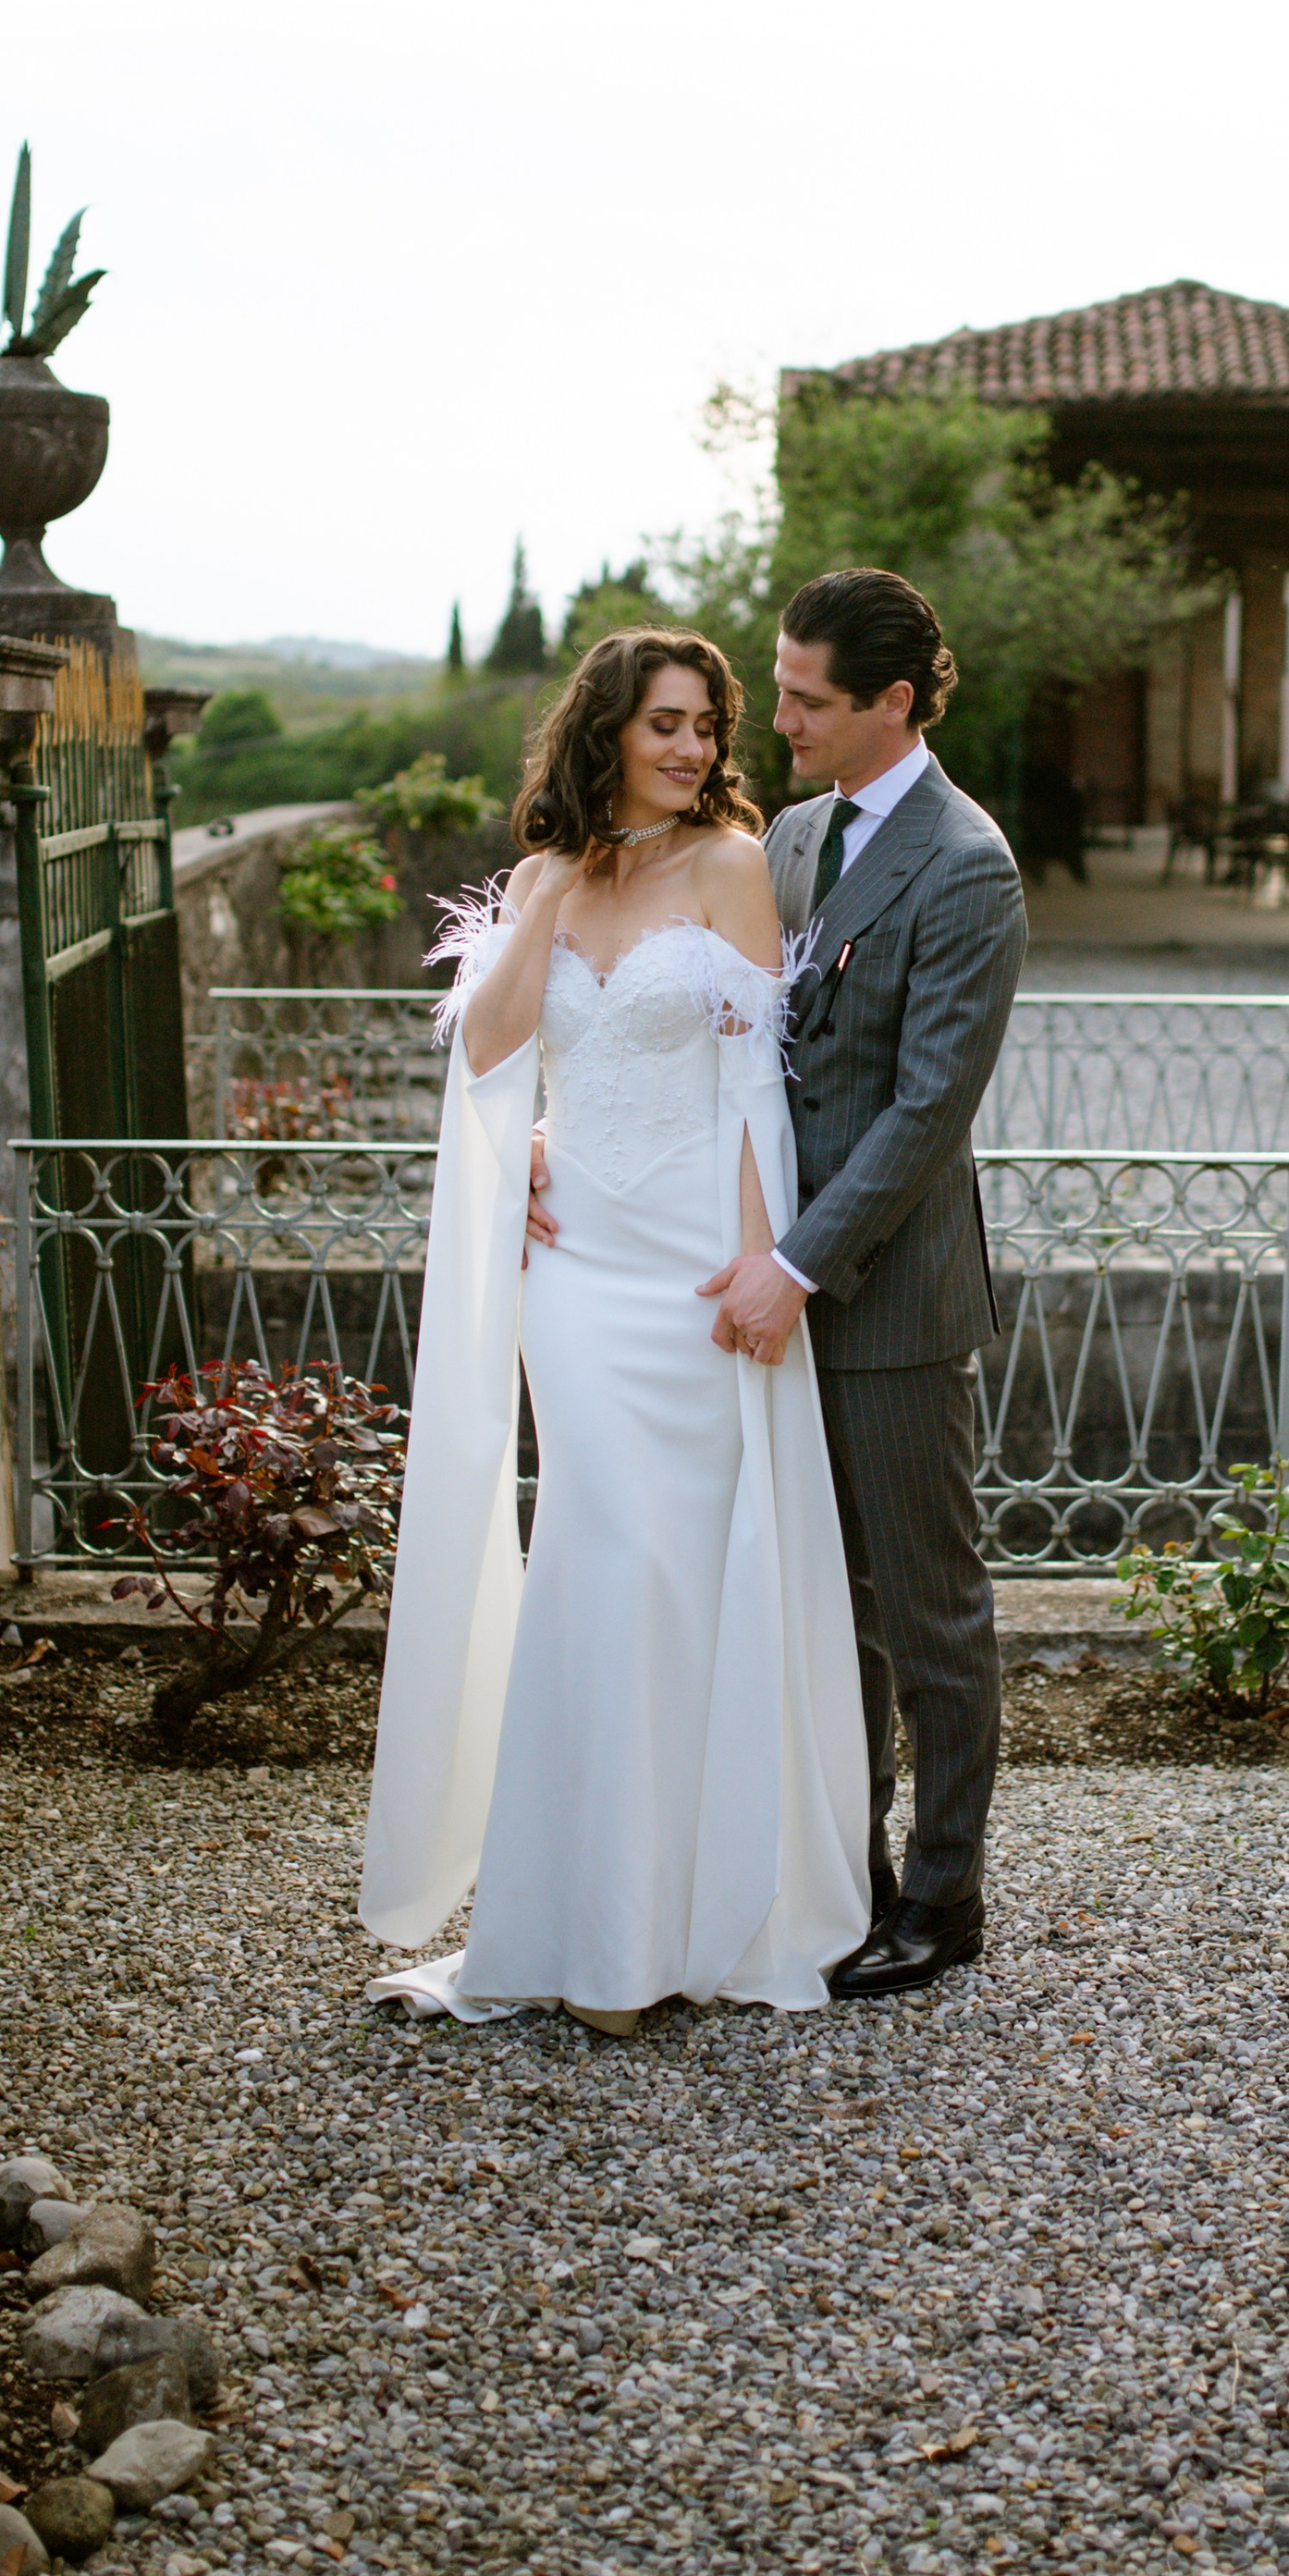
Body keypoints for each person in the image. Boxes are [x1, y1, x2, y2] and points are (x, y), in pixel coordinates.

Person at [356, 630, 871, 2030]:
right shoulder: (543, 880)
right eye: (664, 725)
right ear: (606, 732)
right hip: (574, 1278)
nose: (696, 748)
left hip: (698, 1262)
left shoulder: (735, 865)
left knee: (678, 1569)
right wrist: (551, 881)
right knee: (598, 1553)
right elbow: (490, 1053)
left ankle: (671, 1923)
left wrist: (768, 1261)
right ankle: (581, 1928)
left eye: (707, 724)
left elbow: (760, 1078)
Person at [536, 566, 1029, 1996]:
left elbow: (929, 1107)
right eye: (783, 688)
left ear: (893, 703)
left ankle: (945, 1904)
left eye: (808, 699)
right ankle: (835, 1886)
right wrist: (552, 1139)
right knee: (817, 1608)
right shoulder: (788, 839)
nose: (781, 718)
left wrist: (800, 1266)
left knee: (927, 1612)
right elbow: (701, 1036)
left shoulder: (969, 864)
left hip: (879, 1300)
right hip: (739, 1288)